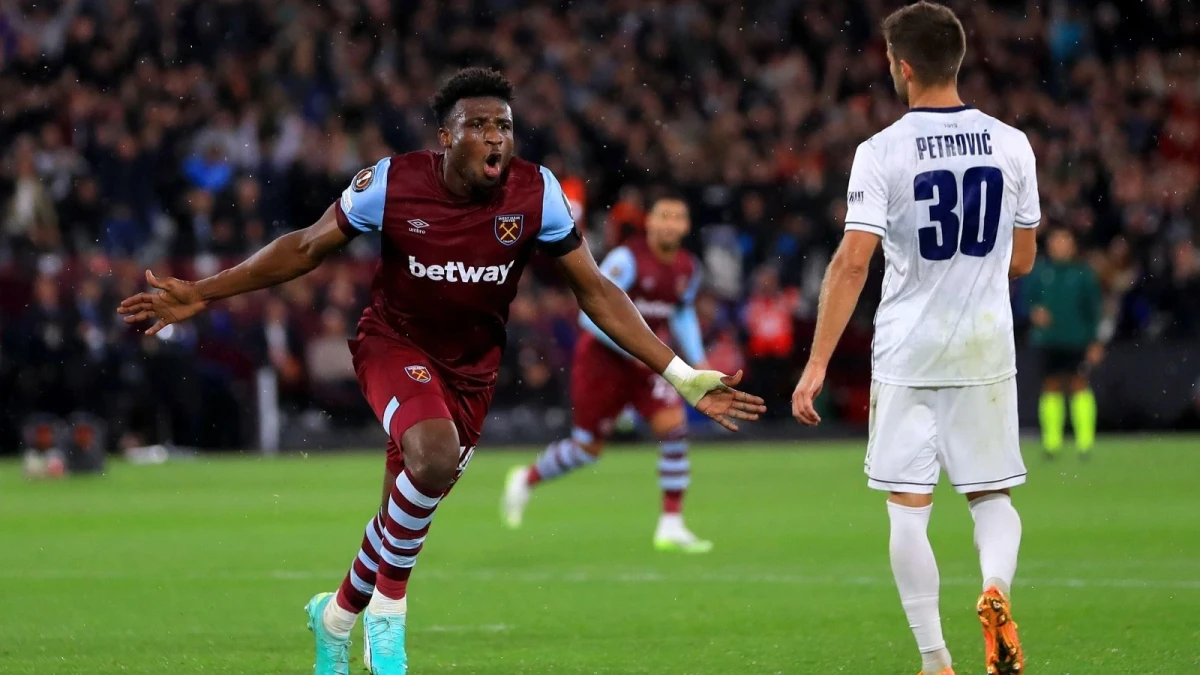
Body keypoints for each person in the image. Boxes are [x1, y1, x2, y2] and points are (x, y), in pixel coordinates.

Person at [117, 68, 765, 675]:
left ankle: (335, 614)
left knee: (404, 506)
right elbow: (306, 246)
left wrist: (681, 373)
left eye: (504, 126)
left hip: (473, 371)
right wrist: (207, 290)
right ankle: (389, 626)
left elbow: (595, 290)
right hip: (393, 346)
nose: (495, 138)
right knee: (429, 458)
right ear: (445, 137)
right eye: (479, 125)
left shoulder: (537, 193)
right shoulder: (392, 184)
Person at [790, 4, 1038, 675]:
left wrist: (815, 364)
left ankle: (935, 659)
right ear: (958, 60)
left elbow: (851, 261)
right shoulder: (1012, 143)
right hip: (986, 347)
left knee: (907, 510)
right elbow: (1022, 261)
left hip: (909, 352)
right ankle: (995, 589)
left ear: (902, 67)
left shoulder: (882, 151)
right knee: (991, 498)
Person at [503, 195, 713, 553]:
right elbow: (589, 317)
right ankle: (527, 477)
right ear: (650, 222)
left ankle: (671, 524)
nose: (670, 224)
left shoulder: (688, 268)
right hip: (602, 363)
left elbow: (680, 313)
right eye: (664, 215)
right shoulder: (626, 260)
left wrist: (698, 360)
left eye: (678, 217)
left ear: (686, 226)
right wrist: (635, 350)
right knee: (587, 450)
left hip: (647, 364)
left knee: (673, 429)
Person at [1023, 228, 1103, 458]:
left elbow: (1094, 310)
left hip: (1077, 339)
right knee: (1051, 386)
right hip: (1048, 340)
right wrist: (1033, 311)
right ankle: (1052, 443)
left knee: (1079, 384)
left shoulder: (1082, 274)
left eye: (1064, 241)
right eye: (1057, 241)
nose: (1060, 246)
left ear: (1073, 245)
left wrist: (1096, 340)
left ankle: (1085, 443)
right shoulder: (1040, 273)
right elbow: (1025, 300)